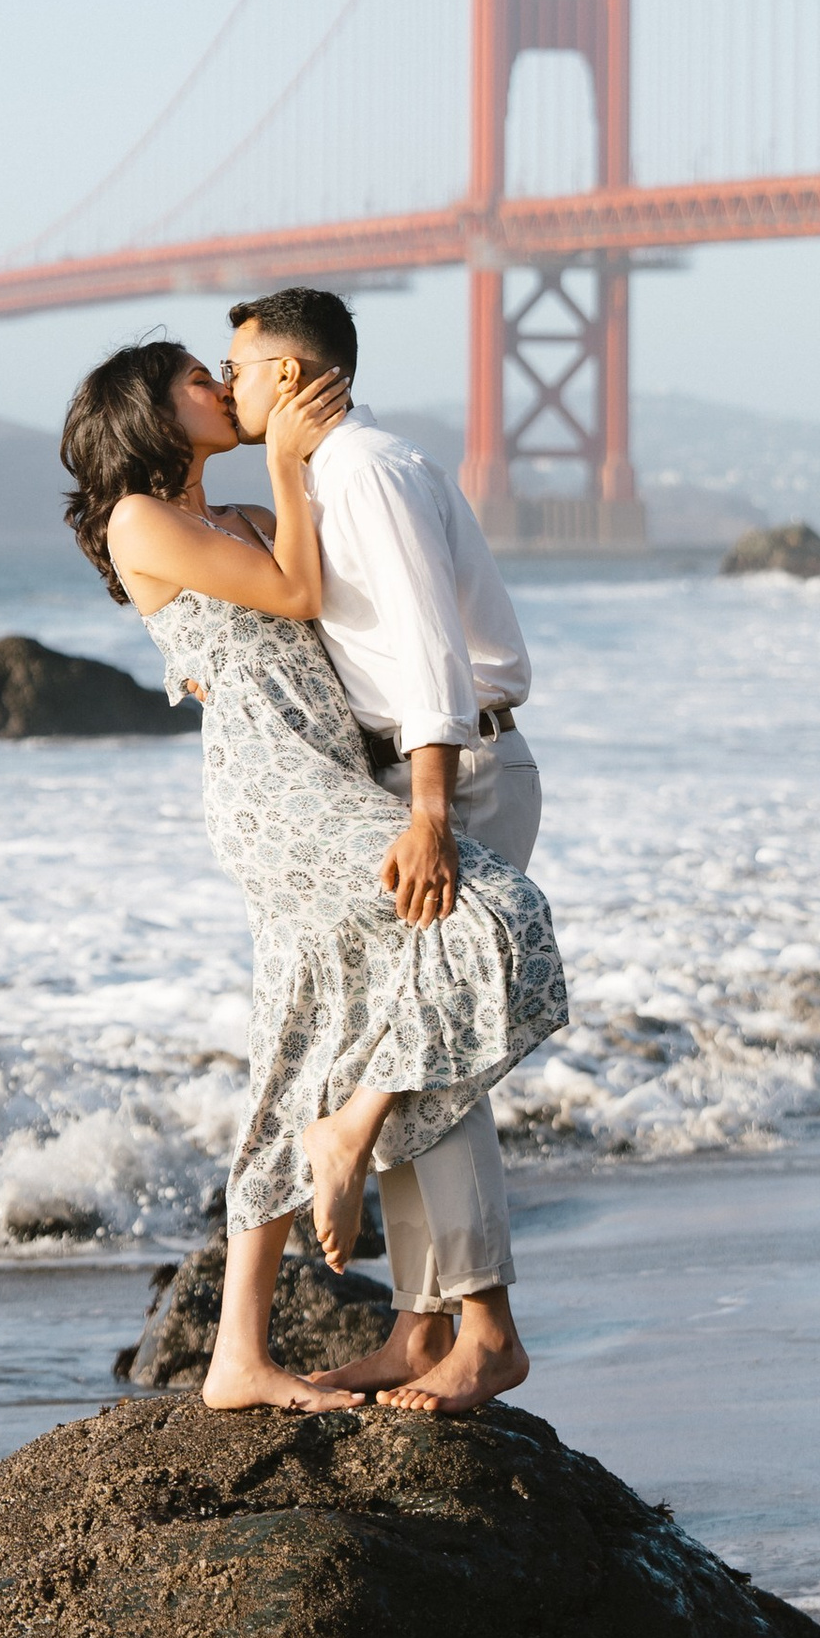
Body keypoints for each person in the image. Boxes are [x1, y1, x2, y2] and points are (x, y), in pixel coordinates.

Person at [59, 328, 567, 1418]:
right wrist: (290, 461)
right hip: (280, 795)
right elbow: (292, 595)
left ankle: (239, 1353)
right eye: (201, 379)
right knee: (495, 917)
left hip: (331, 773)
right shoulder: (140, 516)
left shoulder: (230, 514)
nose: (222, 386)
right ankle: (355, 1141)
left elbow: (343, 609)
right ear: (149, 412)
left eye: (227, 368)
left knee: (301, 1036)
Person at [217, 286, 547, 1412]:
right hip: (413, 778)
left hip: (456, 778)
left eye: (242, 370)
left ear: (297, 376)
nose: (228, 390)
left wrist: (427, 814)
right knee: (405, 1040)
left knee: (429, 1051)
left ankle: (486, 1331)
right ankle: (419, 1326)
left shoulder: (364, 471)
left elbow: (424, 652)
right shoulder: (326, 477)